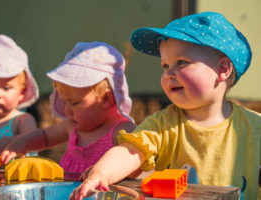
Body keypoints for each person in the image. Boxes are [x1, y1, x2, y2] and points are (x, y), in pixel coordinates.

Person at [70, 12, 260, 200]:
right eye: (165, 66)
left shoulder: (255, 128)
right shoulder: (163, 125)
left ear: (223, 69)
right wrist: (102, 173)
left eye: (181, 63)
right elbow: (130, 152)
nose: (169, 73)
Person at [0, 41, 135, 179]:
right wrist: (22, 143)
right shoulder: (71, 127)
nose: (67, 110)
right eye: (65, 101)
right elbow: (44, 137)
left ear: (106, 98)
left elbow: (136, 162)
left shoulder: (122, 131)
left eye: (74, 103)